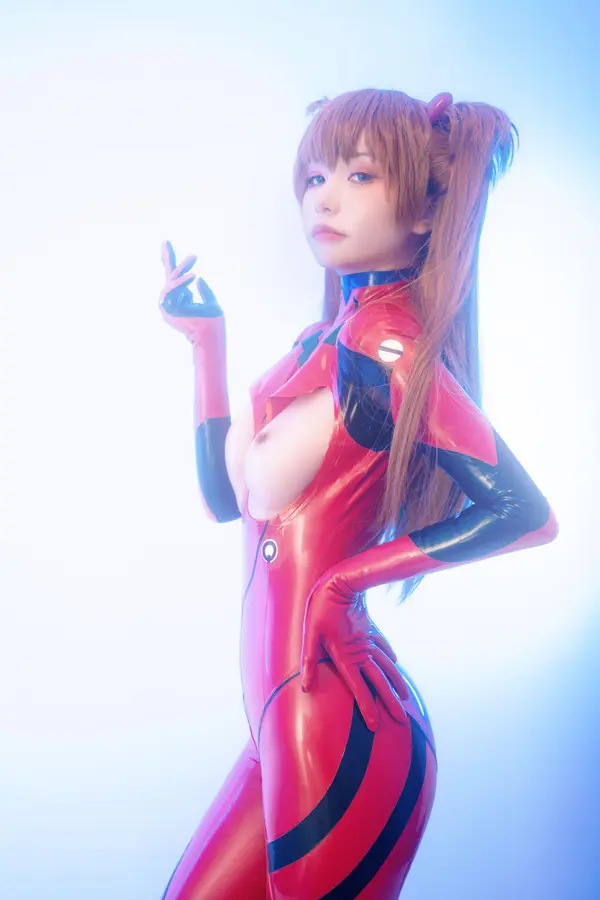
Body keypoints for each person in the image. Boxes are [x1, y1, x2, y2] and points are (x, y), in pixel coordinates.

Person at [157, 88, 558, 900]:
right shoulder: (319, 343)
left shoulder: (390, 345)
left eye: (360, 175)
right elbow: (228, 500)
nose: (325, 198)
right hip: (278, 717)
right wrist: (207, 343)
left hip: (339, 720)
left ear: (425, 213)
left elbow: (526, 515)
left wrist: (344, 582)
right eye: (314, 178)